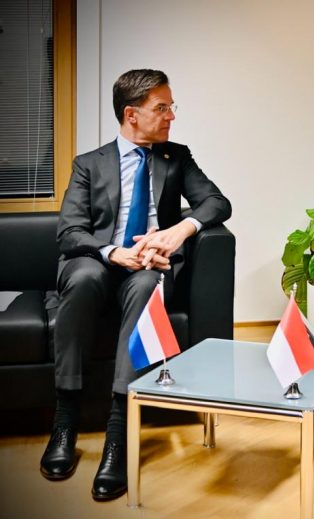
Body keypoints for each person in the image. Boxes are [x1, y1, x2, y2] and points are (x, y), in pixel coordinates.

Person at [39, 69, 231, 501]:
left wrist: (178, 232)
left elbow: (218, 202)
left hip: (147, 265)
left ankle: (118, 433)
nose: (171, 117)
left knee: (148, 286)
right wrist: (112, 252)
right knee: (86, 277)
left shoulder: (175, 156)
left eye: (171, 107)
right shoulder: (89, 164)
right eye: (162, 108)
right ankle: (65, 420)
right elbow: (70, 232)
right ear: (132, 114)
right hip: (97, 260)